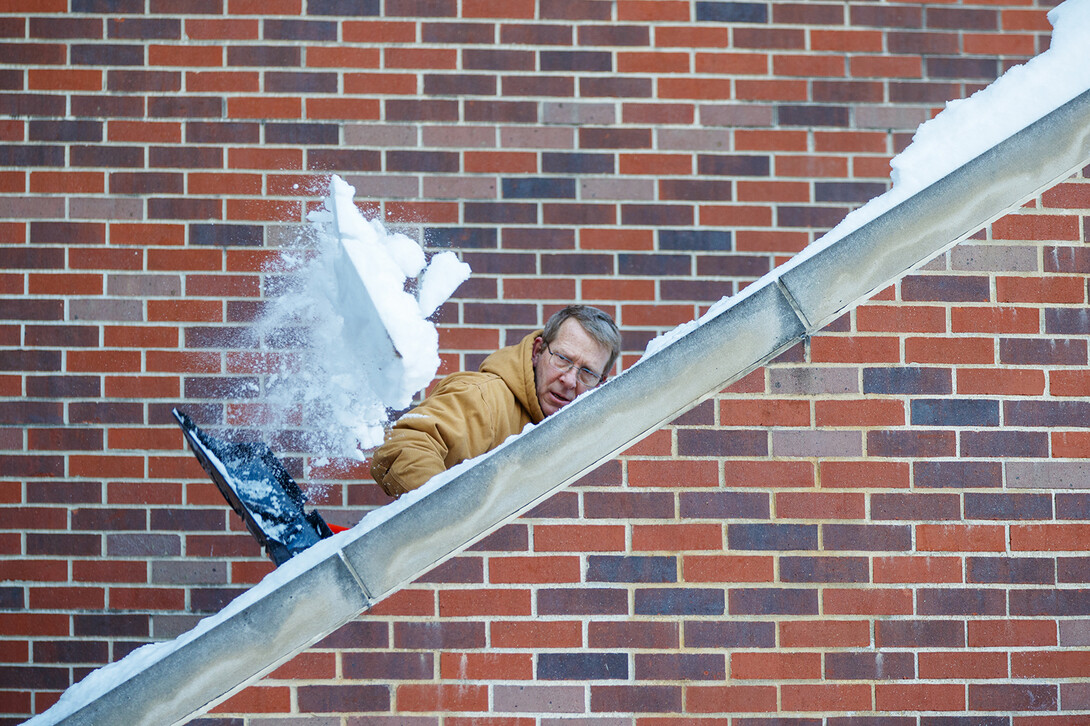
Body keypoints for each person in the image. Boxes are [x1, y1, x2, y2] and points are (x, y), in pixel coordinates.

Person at [370, 304, 621, 497]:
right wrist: (455, 526)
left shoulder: (590, 432)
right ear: (538, 352)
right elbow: (403, 448)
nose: (569, 380)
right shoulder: (483, 398)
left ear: (600, 383)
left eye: (587, 372)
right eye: (563, 359)